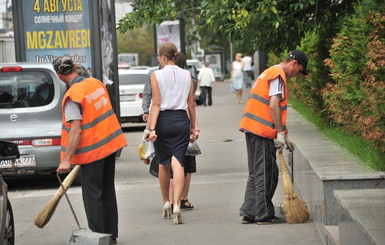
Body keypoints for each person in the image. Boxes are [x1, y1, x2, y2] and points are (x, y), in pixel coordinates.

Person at [53, 57, 127, 245]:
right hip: (109, 146)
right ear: (75, 68)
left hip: (92, 152)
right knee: (107, 191)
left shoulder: (73, 96)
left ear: (59, 75)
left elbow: (76, 130)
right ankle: (111, 236)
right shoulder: (95, 83)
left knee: (92, 196)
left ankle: (99, 238)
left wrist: (66, 159)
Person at [238, 50, 308, 224]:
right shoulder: (278, 75)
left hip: (252, 127)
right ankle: (263, 214)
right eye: (299, 70)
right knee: (265, 172)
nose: (296, 75)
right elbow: (274, 106)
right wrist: (279, 133)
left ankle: (250, 212)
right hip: (262, 130)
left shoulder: (268, 72)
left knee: (257, 172)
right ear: (294, 64)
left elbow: (276, 110)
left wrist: (285, 134)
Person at [145, 42, 199, 225]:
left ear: (162, 57)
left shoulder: (156, 75)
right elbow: (191, 104)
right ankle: (178, 204)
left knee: (163, 163)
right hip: (182, 121)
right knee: (179, 163)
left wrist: (150, 128)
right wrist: (194, 127)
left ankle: (166, 203)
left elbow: (156, 104)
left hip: (163, 121)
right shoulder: (187, 75)